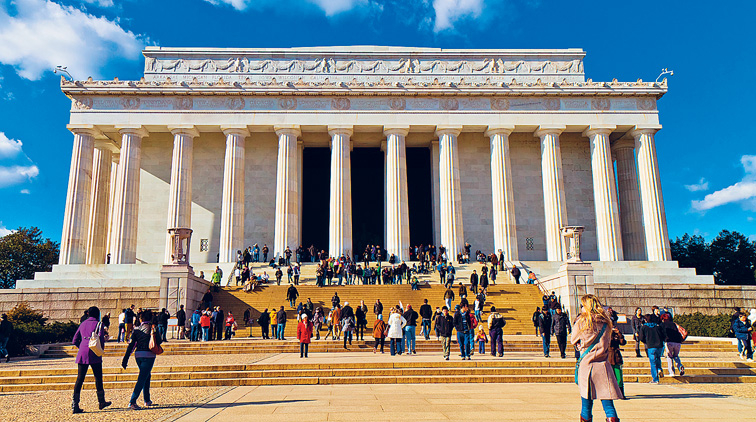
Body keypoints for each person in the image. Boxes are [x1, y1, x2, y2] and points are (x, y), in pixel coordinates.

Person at [570, 294, 623, 422]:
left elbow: (573, 340)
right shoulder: (606, 323)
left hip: (587, 364)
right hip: (603, 364)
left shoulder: (582, 321)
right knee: (608, 404)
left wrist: (581, 344)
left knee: (586, 403)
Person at [71, 306, 111, 413]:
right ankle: (101, 402)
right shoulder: (99, 324)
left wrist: (82, 347)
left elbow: (74, 340)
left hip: (82, 352)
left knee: (80, 378)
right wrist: (101, 350)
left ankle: (75, 404)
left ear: (88, 313)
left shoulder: (82, 323)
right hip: (94, 352)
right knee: (98, 377)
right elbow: (101, 340)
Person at [122, 309, 162, 410]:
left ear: (141, 318)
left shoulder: (136, 329)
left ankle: (147, 400)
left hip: (138, 355)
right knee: (142, 378)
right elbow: (159, 341)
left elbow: (131, 345)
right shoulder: (153, 328)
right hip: (149, 355)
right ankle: (132, 401)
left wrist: (125, 359)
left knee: (146, 375)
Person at [639, 313, 666, 383]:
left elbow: (641, 337)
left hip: (651, 346)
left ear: (645, 320)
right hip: (659, 346)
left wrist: (646, 341)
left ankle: (655, 378)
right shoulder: (657, 326)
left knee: (653, 362)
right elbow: (663, 335)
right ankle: (659, 369)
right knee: (658, 358)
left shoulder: (644, 327)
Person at [608, 326, 627, 397]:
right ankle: (611, 393)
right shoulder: (606, 334)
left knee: (619, 377)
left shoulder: (617, 334)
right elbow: (609, 342)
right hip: (608, 358)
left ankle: (621, 394)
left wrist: (619, 333)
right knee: (609, 377)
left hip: (616, 357)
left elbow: (623, 342)